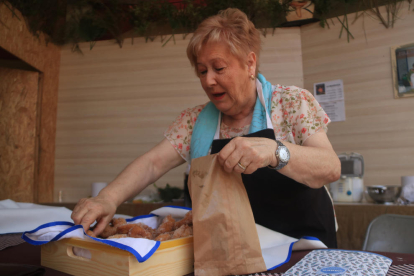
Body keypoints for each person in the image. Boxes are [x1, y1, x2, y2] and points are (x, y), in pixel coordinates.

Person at [71, 8, 341, 248]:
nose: (209, 81)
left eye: (219, 68)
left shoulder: (292, 102)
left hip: (302, 248)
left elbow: (330, 167)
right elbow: (152, 164)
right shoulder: (193, 121)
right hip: (232, 253)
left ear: (250, 63)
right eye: (202, 71)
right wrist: (107, 198)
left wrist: (275, 151)